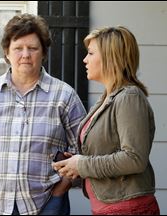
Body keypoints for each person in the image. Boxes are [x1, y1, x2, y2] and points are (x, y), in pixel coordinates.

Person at [0, 13, 86, 215]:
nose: (25, 54)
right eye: (18, 48)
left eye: (32, 48)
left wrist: (61, 189)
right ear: (7, 52)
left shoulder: (64, 96)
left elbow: (83, 148)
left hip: (48, 204)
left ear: (43, 52)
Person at [52, 26, 160, 215]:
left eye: (91, 53)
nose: (85, 59)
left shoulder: (129, 97)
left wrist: (82, 164)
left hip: (127, 209)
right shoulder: (107, 99)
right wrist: (75, 166)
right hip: (107, 207)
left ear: (111, 57)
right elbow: (103, 153)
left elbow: (134, 159)